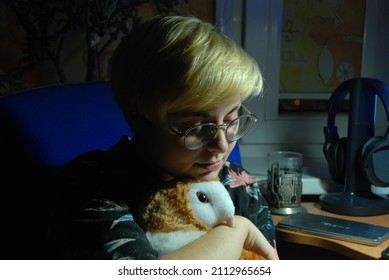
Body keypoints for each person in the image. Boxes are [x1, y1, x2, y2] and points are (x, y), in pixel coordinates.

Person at [49, 15, 279, 260]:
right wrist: (237, 232)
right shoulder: (91, 184)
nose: (222, 146)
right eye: (198, 128)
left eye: (232, 119)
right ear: (138, 117)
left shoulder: (237, 184)